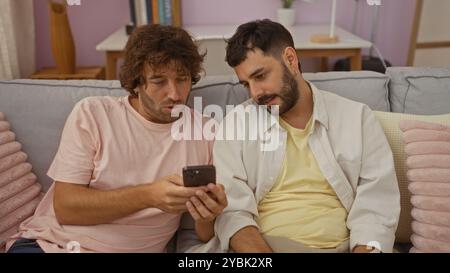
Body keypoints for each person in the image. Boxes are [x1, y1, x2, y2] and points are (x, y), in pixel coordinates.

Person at [6, 24, 227, 253]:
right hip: (51, 244)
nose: (175, 94)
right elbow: (66, 208)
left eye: (182, 79)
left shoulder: (206, 130)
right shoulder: (93, 113)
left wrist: (208, 214)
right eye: (159, 81)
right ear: (136, 82)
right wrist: (150, 195)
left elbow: (205, 233)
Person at [208, 19, 400, 253]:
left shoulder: (356, 118)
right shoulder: (236, 124)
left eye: (260, 76)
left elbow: (377, 211)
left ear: (290, 59)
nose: (256, 93)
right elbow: (233, 214)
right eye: (246, 84)